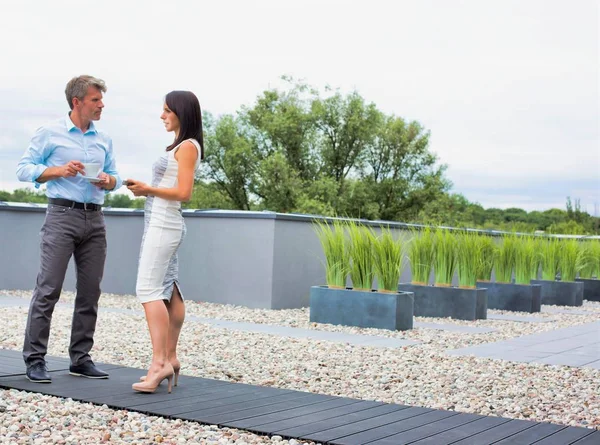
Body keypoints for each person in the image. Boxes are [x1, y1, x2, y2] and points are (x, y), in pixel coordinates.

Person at [16, 75, 122, 383]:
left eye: (101, 100)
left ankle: (80, 358)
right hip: (62, 216)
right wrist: (59, 170)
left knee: (90, 293)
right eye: (95, 100)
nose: (102, 105)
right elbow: (24, 169)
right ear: (77, 102)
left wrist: (107, 180)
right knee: (48, 289)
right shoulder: (49, 133)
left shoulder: (104, 139)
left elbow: (114, 175)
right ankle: (35, 360)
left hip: (96, 219)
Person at [126, 90, 203, 393]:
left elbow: (184, 193)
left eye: (167, 110)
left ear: (182, 113)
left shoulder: (187, 147)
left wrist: (148, 189)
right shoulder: (184, 146)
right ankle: (170, 357)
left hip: (164, 224)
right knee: (170, 288)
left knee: (147, 289)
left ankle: (159, 364)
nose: (162, 115)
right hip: (164, 223)